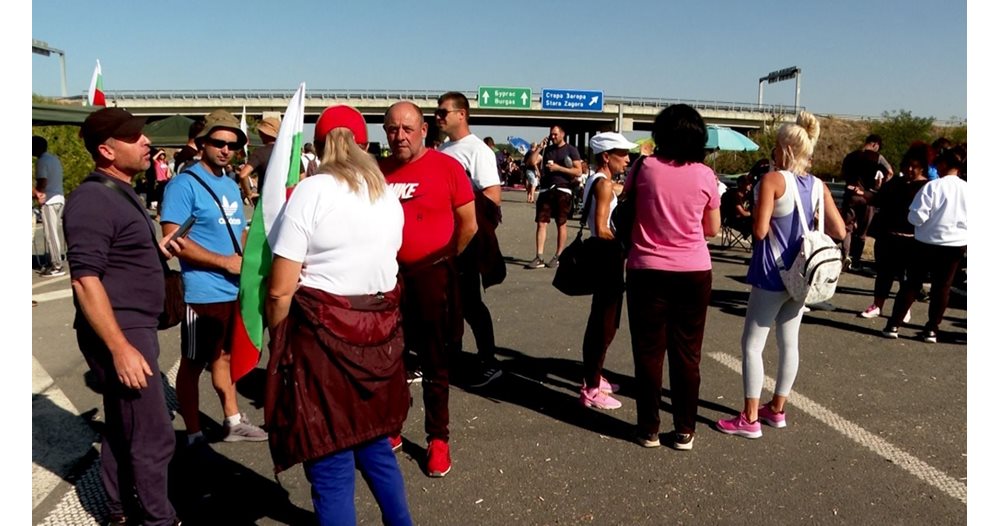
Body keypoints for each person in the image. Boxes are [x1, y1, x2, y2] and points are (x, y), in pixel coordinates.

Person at [265, 105, 412, 526]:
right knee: (374, 445)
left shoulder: (311, 192)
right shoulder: (387, 194)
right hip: (380, 336)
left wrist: (279, 335)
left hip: (321, 340)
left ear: (319, 144)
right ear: (364, 142)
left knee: (328, 454)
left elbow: (279, 288)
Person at [63, 107, 179, 525]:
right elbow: (84, 280)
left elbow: (113, 256)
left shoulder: (119, 189)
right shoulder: (92, 198)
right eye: (134, 137)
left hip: (132, 325)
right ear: (106, 150)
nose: (146, 141)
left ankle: (116, 508)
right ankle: (157, 519)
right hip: (122, 329)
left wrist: (155, 249)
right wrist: (120, 348)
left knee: (125, 424)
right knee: (152, 434)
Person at [715, 111, 846, 440]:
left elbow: (759, 231)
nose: (772, 151)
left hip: (772, 273)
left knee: (752, 345)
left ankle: (749, 418)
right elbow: (839, 229)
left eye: (776, 146)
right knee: (789, 343)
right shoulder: (818, 186)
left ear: (786, 149)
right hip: (803, 276)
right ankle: (777, 409)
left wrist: (752, 211)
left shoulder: (772, 181)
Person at [380, 101, 477, 478]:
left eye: (407, 128)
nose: (399, 136)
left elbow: (468, 224)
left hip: (432, 275)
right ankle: (392, 427)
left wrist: (444, 259)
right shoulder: (377, 171)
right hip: (387, 277)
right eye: (392, 129)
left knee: (435, 362)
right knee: (390, 359)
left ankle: (438, 438)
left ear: (423, 130)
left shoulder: (447, 167)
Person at [160, 109, 267, 447]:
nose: (225, 149)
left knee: (224, 357)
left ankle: (233, 420)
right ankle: (192, 432)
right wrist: (224, 262)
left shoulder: (230, 183)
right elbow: (173, 240)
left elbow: (237, 232)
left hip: (233, 288)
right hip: (202, 292)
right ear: (202, 142)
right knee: (193, 364)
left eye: (232, 145)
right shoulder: (183, 184)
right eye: (218, 142)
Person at [625, 105, 721, 451]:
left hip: (646, 269)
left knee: (649, 353)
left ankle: (648, 428)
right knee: (687, 353)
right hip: (694, 270)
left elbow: (628, 209)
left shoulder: (643, 167)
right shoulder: (705, 175)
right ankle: (684, 430)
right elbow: (713, 229)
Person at [436, 91, 506, 388]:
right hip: (440, 238)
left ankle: (489, 361)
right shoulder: (444, 149)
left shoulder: (478, 151)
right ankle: (450, 357)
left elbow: (492, 197)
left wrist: (470, 235)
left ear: (461, 114)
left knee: (470, 303)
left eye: (443, 112)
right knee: (446, 302)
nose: (438, 117)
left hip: (464, 239)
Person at [882, 147, 967, 343]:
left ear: (944, 165)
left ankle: (894, 324)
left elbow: (917, 217)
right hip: (956, 244)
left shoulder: (933, 187)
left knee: (911, 284)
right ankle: (932, 329)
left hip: (926, 242)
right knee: (943, 287)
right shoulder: (968, 189)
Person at [577, 132, 636, 410]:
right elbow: (601, 229)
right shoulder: (602, 185)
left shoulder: (599, 181)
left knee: (603, 322)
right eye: (621, 154)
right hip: (607, 259)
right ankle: (590, 388)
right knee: (604, 324)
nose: (627, 159)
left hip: (606, 259)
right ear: (605, 156)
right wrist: (624, 242)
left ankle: (595, 376)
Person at [858, 143, 931, 321]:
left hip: (913, 239)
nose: (910, 169)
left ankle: (903, 308)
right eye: (907, 165)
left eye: (914, 166)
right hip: (888, 236)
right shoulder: (895, 182)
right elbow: (878, 200)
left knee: (906, 278)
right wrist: (866, 194)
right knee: (884, 273)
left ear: (922, 168)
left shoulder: (928, 186)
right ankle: (878, 304)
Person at [524, 125, 583, 269]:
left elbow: (578, 171)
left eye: (555, 134)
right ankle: (539, 256)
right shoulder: (547, 150)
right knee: (541, 222)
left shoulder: (571, 150)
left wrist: (558, 168)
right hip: (546, 190)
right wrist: (539, 148)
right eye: (551, 134)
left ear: (563, 134)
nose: (553, 137)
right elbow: (531, 162)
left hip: (563, 189)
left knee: (561, 223)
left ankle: (558, 256)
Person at [840, 134, 893, 271]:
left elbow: (843, 174)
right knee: (862, 233)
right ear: (875, 144)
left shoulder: (850, 156)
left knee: (847, 228)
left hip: (851, 195)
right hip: (868, 197)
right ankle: (856, 260)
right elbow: (890, 172)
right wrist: (880, 187)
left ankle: (846, 256)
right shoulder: (878, 158)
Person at [33, 136, 67, 277]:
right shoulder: (53, 159)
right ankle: (55, 261)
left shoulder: (41, 162)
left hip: (49, 200)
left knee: (50, 234)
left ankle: (56, 265)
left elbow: (43, 181)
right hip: (59, 197)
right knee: (54, 232)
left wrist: (38, 195)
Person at [238, 115, 281, 202]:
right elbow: (301, 178)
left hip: (265, 201)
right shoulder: (290, 152)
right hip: (286, 201)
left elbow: (243, 175)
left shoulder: (260, 153)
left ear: (263, 134)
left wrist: (249, 194)